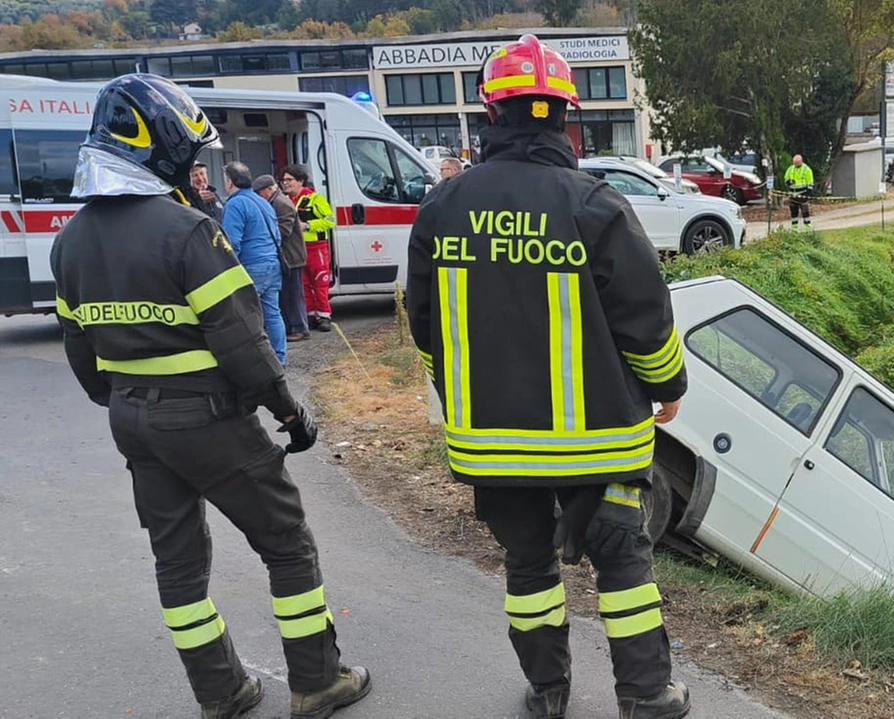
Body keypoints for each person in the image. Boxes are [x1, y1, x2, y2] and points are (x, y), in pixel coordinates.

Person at [47, 73, 371, 719]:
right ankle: (316, 679)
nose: (196, 167)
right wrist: (287, 410)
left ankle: (220, 691)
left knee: (178, 563)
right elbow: (241, 342)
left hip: (132, 418)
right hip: (206, 419)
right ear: (163, 149)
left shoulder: (71, 238)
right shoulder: (188, 231)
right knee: (286, 542)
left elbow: (80, 349)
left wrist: (125, 400)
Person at [406, 35, 691, 719]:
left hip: (495, 444)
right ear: (565, 115)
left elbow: (426, 329)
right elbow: (646, 321)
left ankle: (549, 690)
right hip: (600, 445)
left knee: (528, 566)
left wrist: (455, 398)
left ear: (489, 115)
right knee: (623, 563)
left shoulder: (442, 210)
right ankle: (648, 695)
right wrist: (669, 388)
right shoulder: (595, 205)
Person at [221, 161, 287, 365]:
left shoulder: (235, 204)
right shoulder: (263, 202)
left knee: (245, 315)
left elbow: (231, 242)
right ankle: (279, 357)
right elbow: (277, 235)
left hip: (251, 266)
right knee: (273, 313)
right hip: (273, 264)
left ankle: (253, 361)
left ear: (230, 182)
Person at [255, 173, 309, 343]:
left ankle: (300, 328)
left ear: (268, 190)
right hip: (287, 257)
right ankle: (291, 327)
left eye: (259, 192)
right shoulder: (276, 202)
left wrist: (263, 231)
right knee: (286, 295)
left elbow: (284, 231)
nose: (257, 196)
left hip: (291, 257)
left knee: (293, 295)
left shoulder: (281, 204)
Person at [280, 164, 335, 333]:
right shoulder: (286, 200)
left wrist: (308, 226)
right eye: (284, 180)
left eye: (289, 180)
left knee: (319, 282)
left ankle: (324, 316)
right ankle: (311, 315)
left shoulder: (315, 199)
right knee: (303, 285)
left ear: (300, 181)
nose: (286, 183)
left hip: (316, 247)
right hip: (297, 249)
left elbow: (330, 220)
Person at [783, 153, 814, 229]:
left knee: (805, 212)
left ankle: (808, 228)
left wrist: (807, 194)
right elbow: (786, 179)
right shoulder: (790, 169)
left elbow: (810, 183)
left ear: (801, 161)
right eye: (794, 163)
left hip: (802, 195)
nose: (796, 164)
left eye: (797, 163)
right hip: (793, 195)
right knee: (793, 212)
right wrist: (789, 182)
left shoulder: (806, 170)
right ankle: (794, 229)